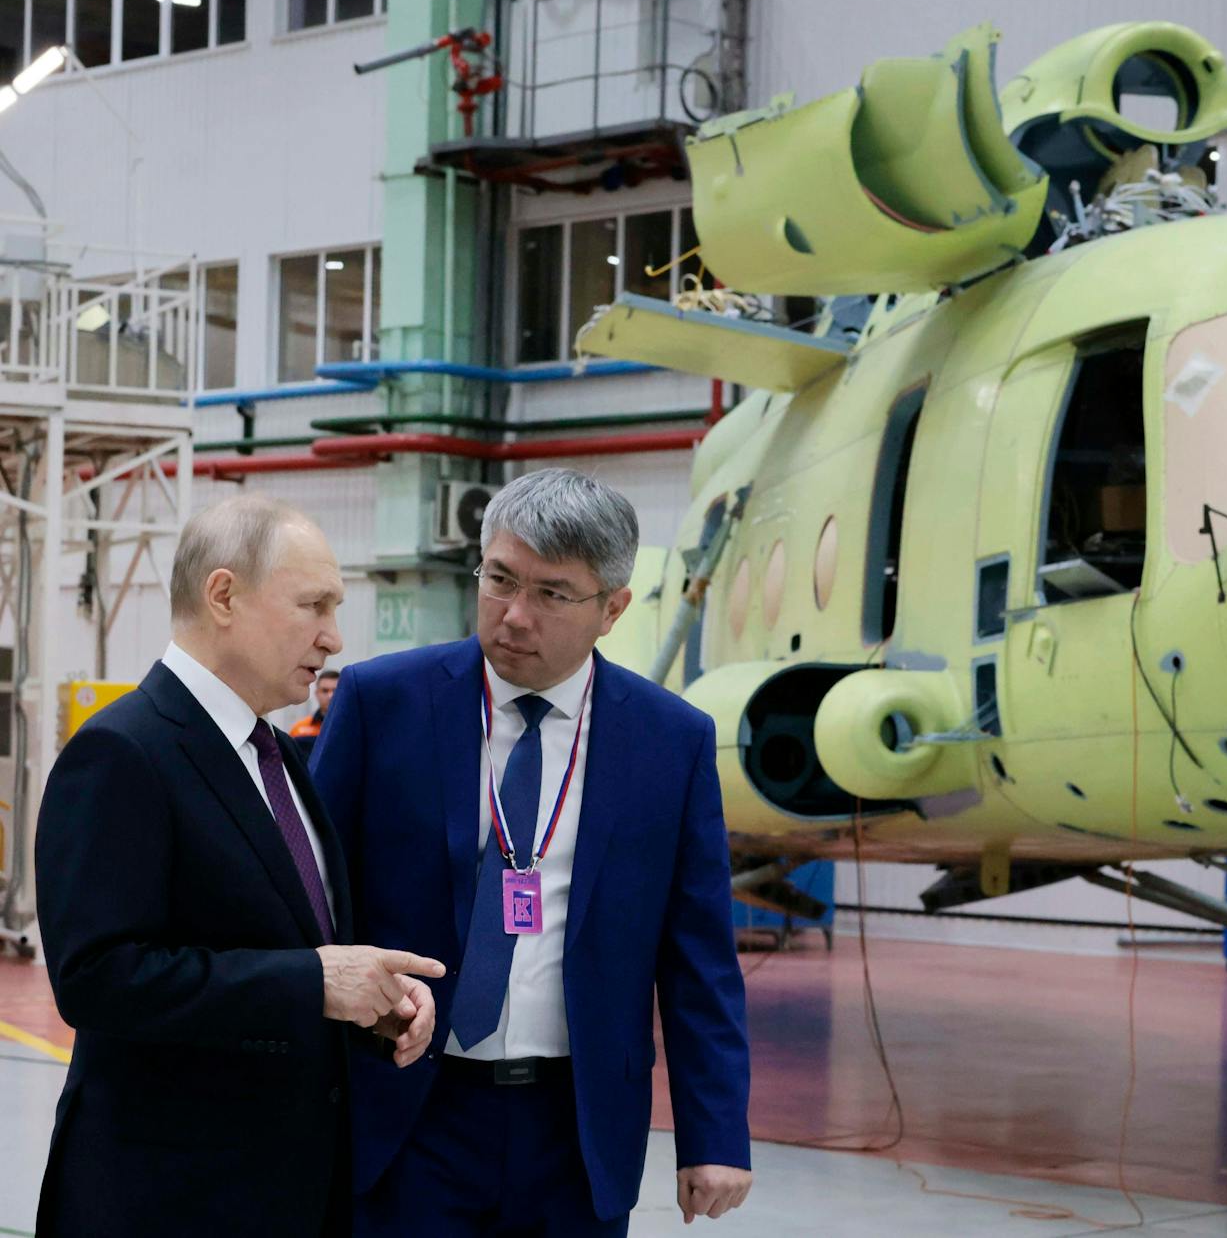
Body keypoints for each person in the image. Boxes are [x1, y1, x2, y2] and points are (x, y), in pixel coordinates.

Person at [315, 468, 752, 1236]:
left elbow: (699, 957)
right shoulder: (383, 704)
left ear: (612, 607)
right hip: (409, 1108)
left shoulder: (669, 742)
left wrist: (714, 1132)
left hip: (576, 1126)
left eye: (551, 593)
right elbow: (311, 897)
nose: (513, 615)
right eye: (499, 578)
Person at [34, 495, 446, 1238]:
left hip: (290, 1192)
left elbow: (285, 944)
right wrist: (316, 981)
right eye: (313, 604)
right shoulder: (124, 752)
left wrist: (367, 1008)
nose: (333, 635)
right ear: (223, 595)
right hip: (170, 1202)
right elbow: (97, 976)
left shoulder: (279, 755)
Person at [290, 668, 342, 740]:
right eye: (325, 691)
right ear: (317, 693)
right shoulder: (299, 729)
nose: (330, 696)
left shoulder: (354, 726)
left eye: (335, 690)